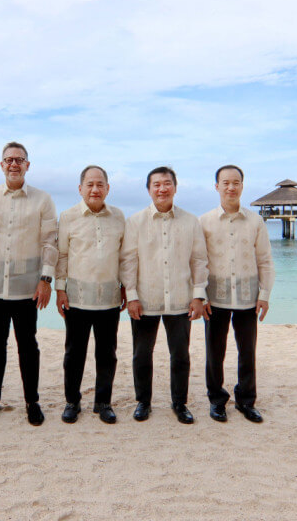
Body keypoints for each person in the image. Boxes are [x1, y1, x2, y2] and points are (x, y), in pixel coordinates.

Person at [0, 142, 58, 426]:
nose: (14, 164)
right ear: (1, 165)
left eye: (19, 160)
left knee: (28, 345)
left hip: (27, 288)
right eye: (9, 160)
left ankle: (32, 401)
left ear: (28, 165)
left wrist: (46, 279)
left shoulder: (42, 200)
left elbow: (49, 243)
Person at [121, 166, 208, 424]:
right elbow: (128, 261)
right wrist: (132, 295)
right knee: (141, 354)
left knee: (180, 354)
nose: (162, 188)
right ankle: (143, 402)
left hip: (181, 299)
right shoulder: (135, 221)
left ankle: (179, 403)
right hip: (146, 299)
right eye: (156, 184)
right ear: (149, 190)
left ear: (175, 187)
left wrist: (199, 296)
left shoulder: (191, 221)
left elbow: (200, 260)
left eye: (167, 183)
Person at [200, 165, 275, 423]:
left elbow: (264, 259)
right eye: (225, 183)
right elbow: (198, 261)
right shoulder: (205, 221)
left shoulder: (255, 220)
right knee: (214, 351)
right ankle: (217, 401)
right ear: (217, 186)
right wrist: (200, 295)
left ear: (242, 186)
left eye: (236, 183)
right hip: (214, 298)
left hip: (247, 297)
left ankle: (246, 401)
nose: (231, 187)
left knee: (247, 351)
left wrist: (264, 294)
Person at [56, 165, 127, 424]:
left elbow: (125, 258)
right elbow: (61, 256)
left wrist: (127, 289)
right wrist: (59, 290)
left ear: (108, 188)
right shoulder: (68, 217)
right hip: (76, 298)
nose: (95, 189)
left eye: (100, 184)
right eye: (90, 184)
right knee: (74, 353)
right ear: (80, 188)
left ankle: (103, 402)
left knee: (107, 353)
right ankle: (72, 401)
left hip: (109, 299)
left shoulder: (119, 217)